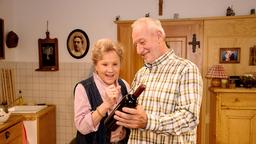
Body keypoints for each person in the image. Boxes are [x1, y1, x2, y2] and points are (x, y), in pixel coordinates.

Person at [114, 17, 203, 143]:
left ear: (159, 36)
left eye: (142, 42)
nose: (139, 50)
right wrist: (122, 131)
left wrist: (148, 122)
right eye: (136, 45)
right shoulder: (141, 74)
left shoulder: (186, 69)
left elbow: (189, 118)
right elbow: (136, 117)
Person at [74, 38, 130, 143]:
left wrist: (124, 133)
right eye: (105, 64)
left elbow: (129, 121)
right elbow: (82, 127)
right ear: (96, 66)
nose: (110, 70)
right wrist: (106, 104)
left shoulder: (125, 85)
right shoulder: (83, 88)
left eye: (115, 64)